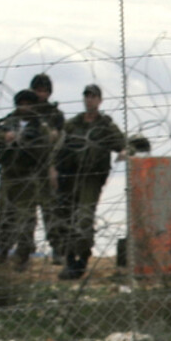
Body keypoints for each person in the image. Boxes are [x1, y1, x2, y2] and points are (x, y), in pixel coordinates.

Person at [55, 84, 126, 280]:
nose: (90, 100)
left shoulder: (105, 126)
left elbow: (123, 143)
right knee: (67, 219)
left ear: (100, 100)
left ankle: (82, 258)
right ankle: (70, 260)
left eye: (93, 96)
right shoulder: (73, 124)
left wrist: (124, 151)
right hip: (69, 177)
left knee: (84, 218)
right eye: (87, 96)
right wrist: (53, 169)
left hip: (91, 178)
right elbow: (58, 148)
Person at [0, 89, 53, 271]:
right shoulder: (7, 122)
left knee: (26, 218)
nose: (24, 107)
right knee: (4, 216)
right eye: (21, 104)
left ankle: (23, 255)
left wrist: (27, 142)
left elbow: (46, 147)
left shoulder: (40, 127)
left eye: (28, 104)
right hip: (8, 175)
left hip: (28, 177)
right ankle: (2, 251)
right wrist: (5, 137)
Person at [29, 73, 67, 262]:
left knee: (51, 211)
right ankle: (24, 252)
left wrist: (54, 166)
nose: (41, 94)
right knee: (26, 214)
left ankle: (58, 249)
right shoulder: (26, 113)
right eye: (38, 90)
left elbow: (61, 141)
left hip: (48, 167)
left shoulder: (55, 115)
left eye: (44, 91)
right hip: (28, 168)